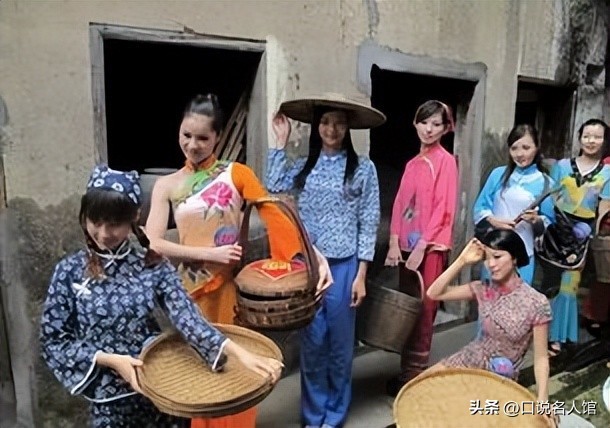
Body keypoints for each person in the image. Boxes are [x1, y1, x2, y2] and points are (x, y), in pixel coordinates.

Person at [40, 165, 284, 427]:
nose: (103, 234)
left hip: (162, 389)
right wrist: (110, 360)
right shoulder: (69, 271)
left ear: (134, 217)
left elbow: (188, 318)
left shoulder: (152, 265)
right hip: (109, 402)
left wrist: (239, 354)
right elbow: (54, 340)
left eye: (114, 224)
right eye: (95, 222)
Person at [145, 94, 333, 428]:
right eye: (186, 135)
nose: (192, 145)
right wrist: (210, 254)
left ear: (217, 137)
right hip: (189, 298)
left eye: (203, 138)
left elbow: (275, 213)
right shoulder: (167, 185)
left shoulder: (236, 174)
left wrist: (313, 258)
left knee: (237, 372)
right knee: (198, 375)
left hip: (231, 293)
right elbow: (154, 242)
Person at [266, 93, 383, 428]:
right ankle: (313, 414)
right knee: (313, 342)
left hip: (345, 267)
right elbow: (272, 185)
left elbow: (369, 220)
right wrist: (281, 142)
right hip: (308, 268)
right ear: (317, 126)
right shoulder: (304, 166)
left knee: (340, 346)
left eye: (339, 123)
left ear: (348, 128)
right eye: (326, 122)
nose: (332, 129)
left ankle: (334, 415)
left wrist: (361, 274)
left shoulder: (363, 169)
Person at [425, 230, 551, 405]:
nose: (491, 264)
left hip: (500, 375)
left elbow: (541, 358)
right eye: (487, 258)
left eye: (497, 257)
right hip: (470, 358)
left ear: (514, 258)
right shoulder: (483, 288)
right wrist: (462, 260)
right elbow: (433, 293)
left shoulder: (536, 303)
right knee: (422, 385)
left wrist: (543, 398)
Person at [384, 100, 458, 395]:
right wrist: (394, 241)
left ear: (446, 128)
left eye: (436, 124)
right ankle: (406, 370)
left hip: (431, 247)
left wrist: (422, 246)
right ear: (415, 123)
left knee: (425, 308)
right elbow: (401, 203)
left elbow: (443, 208)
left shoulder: (446, 161)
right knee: (408, 307)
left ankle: (415, 373)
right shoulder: (413, 163)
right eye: (424, 122)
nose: (429, 129)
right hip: (406, 247)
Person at [546, 119, 610, 357]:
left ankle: (559, 338)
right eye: (587, 136)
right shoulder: (562, 166)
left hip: (582, 234)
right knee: (547, 285)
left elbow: (604, 206)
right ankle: (540, 332)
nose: (591, 141)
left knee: (569, 287)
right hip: (555, 231)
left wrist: (595, 233)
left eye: (597, 137)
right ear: (580, 137)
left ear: (604, 141)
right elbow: (550, 197)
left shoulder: (608, 173)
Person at [473, 124, 555, 285]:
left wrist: (536, 220)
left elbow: (550, 222)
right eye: (514, 148)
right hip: (494, 251)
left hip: (523, 254)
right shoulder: (498, 174)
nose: (519, 154)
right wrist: (493, 220)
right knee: (489, 296)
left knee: (519, 298)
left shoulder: (546, 183)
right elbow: (479, 208)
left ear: (537, 147)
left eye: (526, 148)